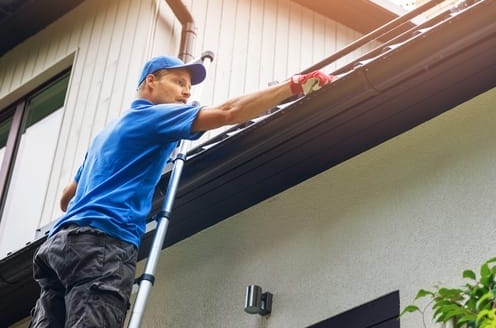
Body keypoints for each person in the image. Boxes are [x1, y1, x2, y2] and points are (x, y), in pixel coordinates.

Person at [29, 55, 334, 327]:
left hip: (59, 247)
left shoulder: (105, 135)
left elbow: (66, 198)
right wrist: (294, 85)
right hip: (103, 243)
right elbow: (228, 112)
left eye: (189, 86)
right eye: (179, 82)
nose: (187, 92)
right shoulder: (153, 117)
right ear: (151, 81)